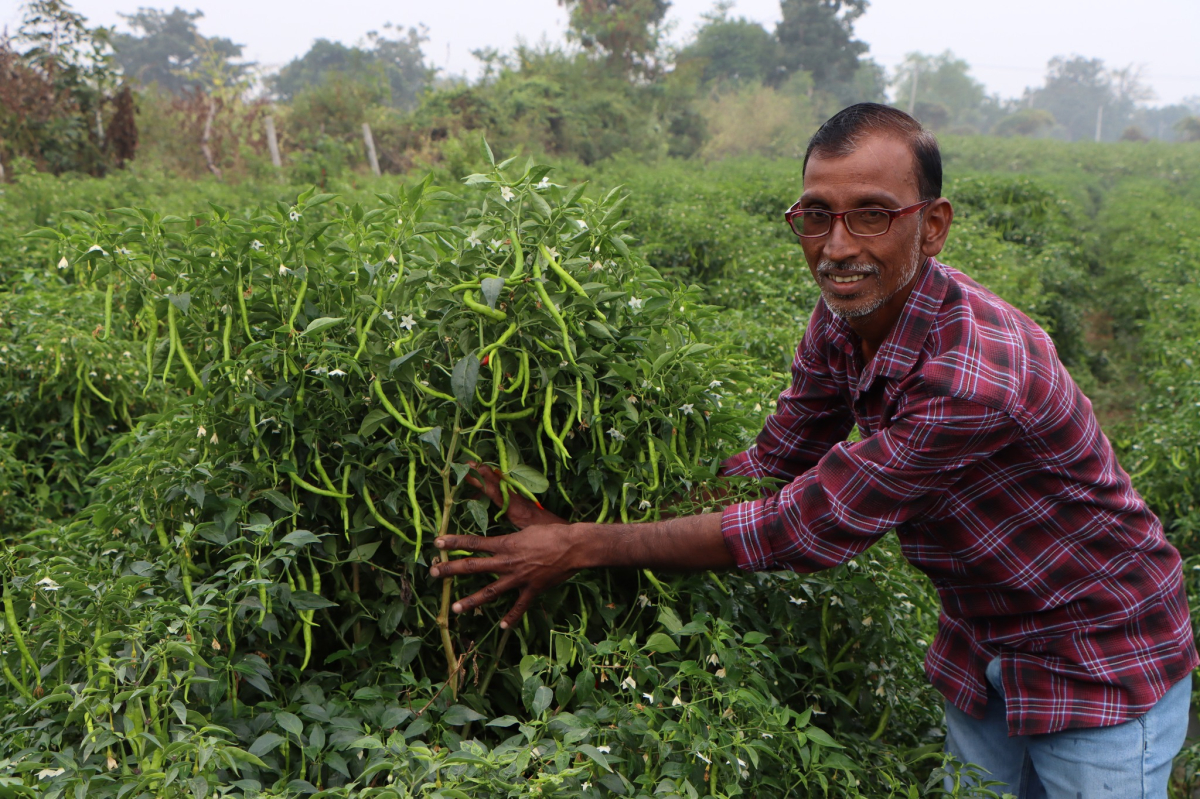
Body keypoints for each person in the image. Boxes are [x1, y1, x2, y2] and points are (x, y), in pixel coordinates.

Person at [428, 103, 1197, 798]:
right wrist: (588, 512)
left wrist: (583, 546)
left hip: (1096, 651)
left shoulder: (973, 373)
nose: (836, 247)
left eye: (871, 216)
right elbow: (775, 463)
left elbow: (801, 526)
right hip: (981, 632)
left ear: (931, 226)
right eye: (816, 215)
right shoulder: (843, 318)